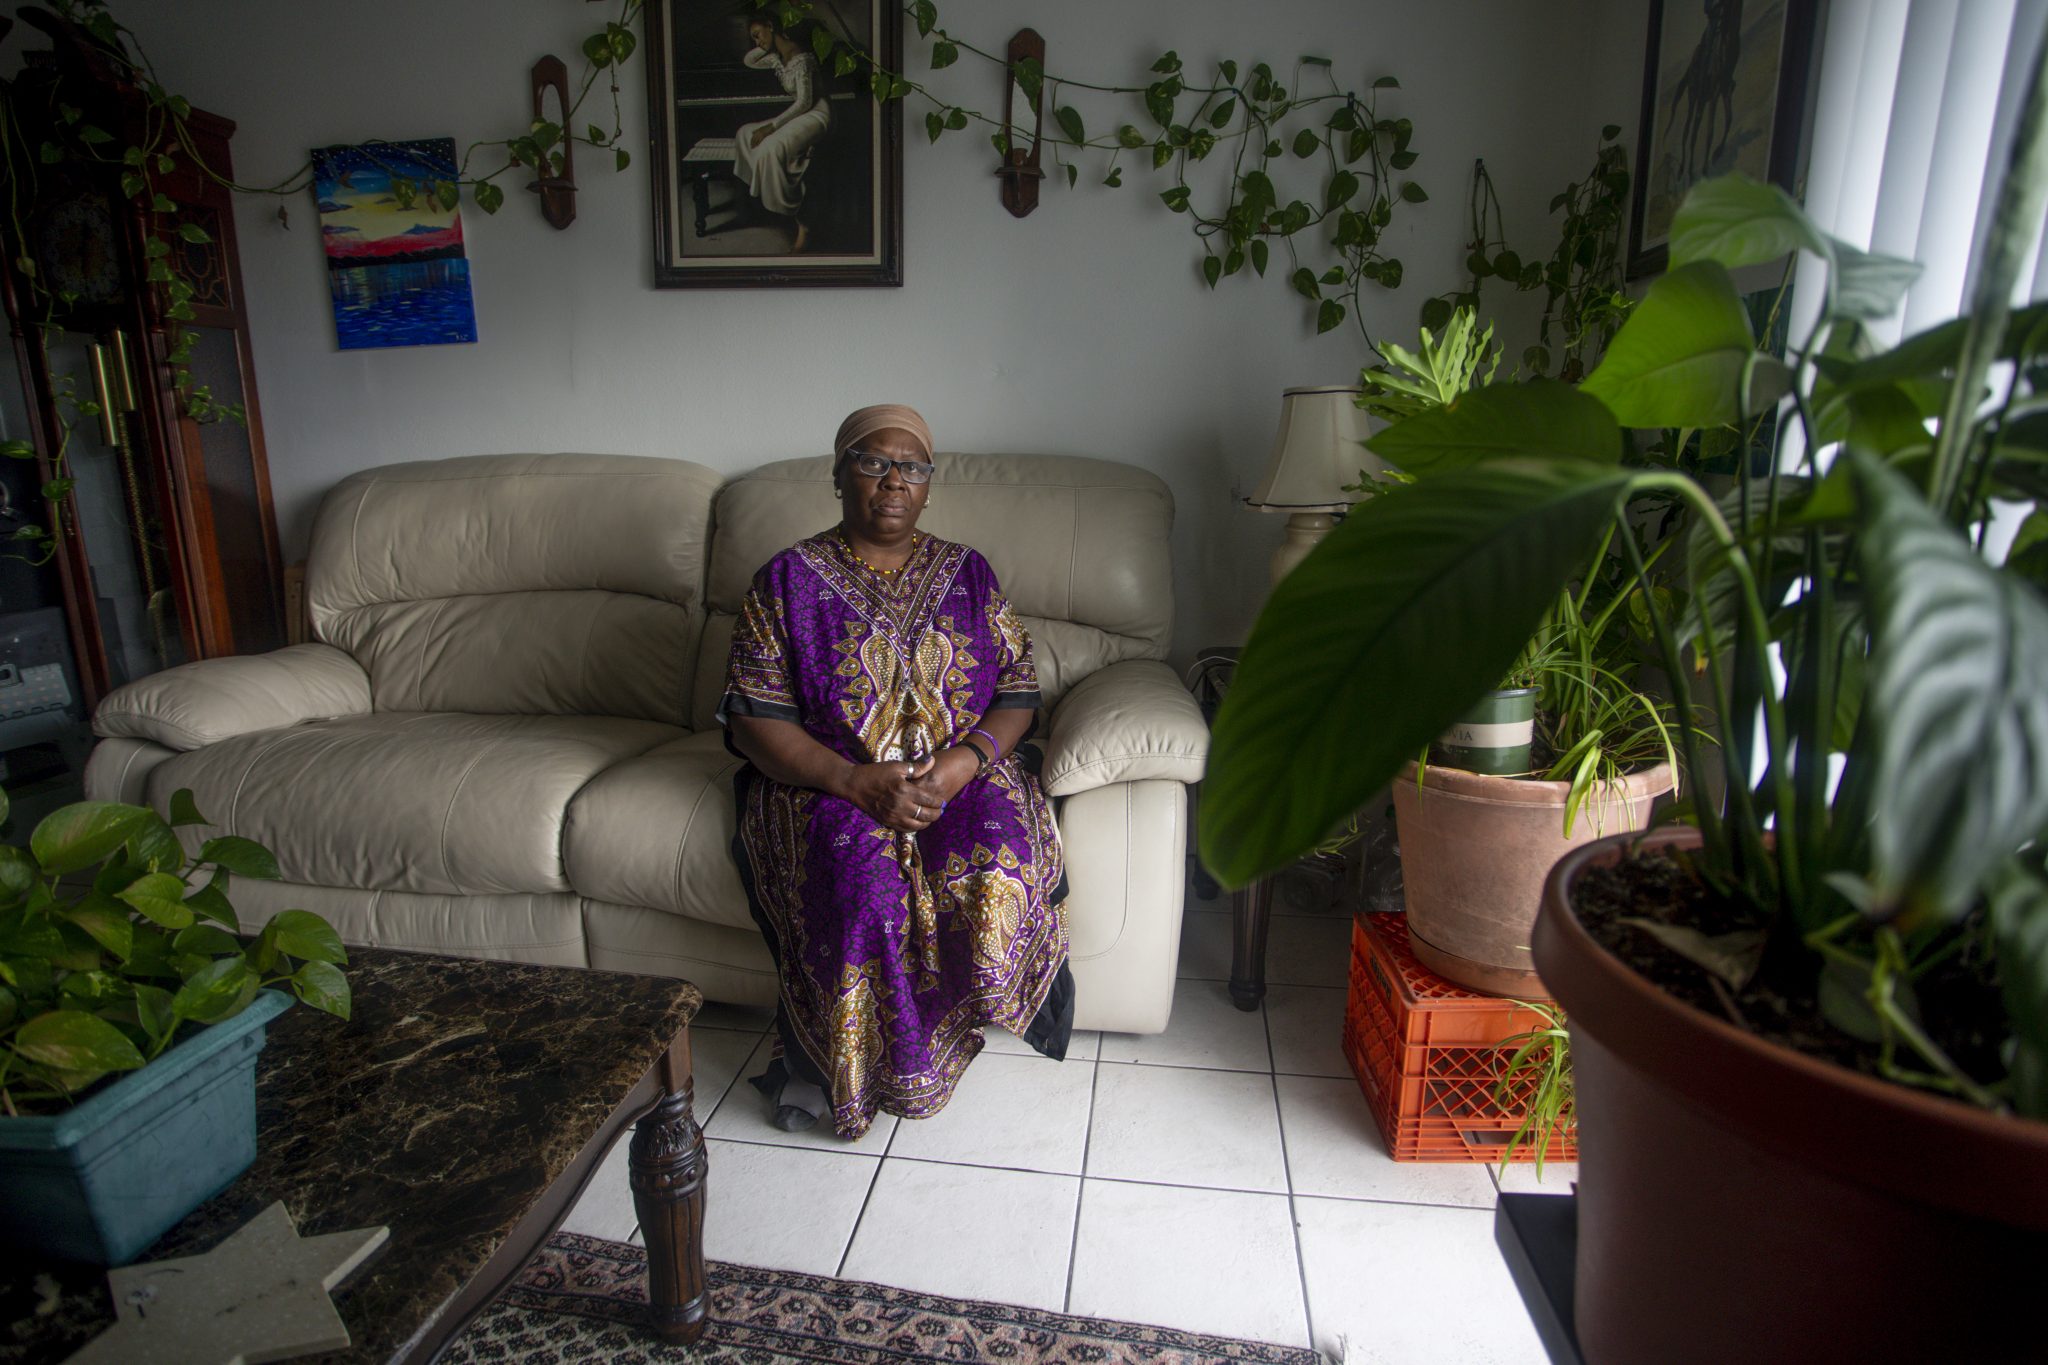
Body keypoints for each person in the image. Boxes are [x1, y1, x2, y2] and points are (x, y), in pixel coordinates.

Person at [719, 403, 1075, 1139]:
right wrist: (853, 782)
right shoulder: (785, 579)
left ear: (929, 485)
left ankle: (946, 1037)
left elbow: (1018, 691)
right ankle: (848, 1076)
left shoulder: (970, 572)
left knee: (992, 859)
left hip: (960, 771)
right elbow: (754, 716)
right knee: (864, 888)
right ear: (839, 473)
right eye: (872, 461)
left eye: (911, 466)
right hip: (829, 778)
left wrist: (960, 765)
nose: (893, 480)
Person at [734, 15, 830, 253]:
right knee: (745, 133)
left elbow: (804, 103)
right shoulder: (776, 57)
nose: (756, 42)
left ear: (771, 25)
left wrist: (771, 127)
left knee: (769, 147)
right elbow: (749, 61)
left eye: (758, 34)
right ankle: (775, 201)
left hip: (816, 114)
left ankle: (800, 216)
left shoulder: (801, 57)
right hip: (800, 115)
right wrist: (765, 43)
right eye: (753, 38)